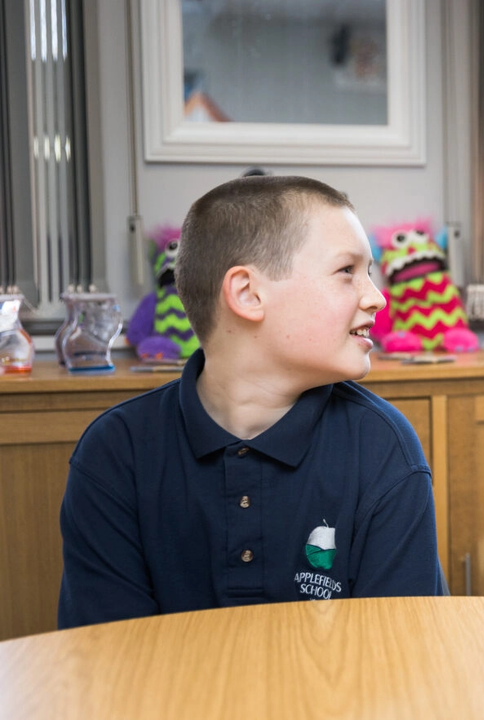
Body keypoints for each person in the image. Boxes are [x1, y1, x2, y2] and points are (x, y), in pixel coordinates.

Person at [59, 175, 447, 628]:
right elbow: (106, 659)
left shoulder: (384, 447)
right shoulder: (116, 452)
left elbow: (401, 651)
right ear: (247, 294)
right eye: (347, 271)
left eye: (372, 273)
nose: (377, 298)